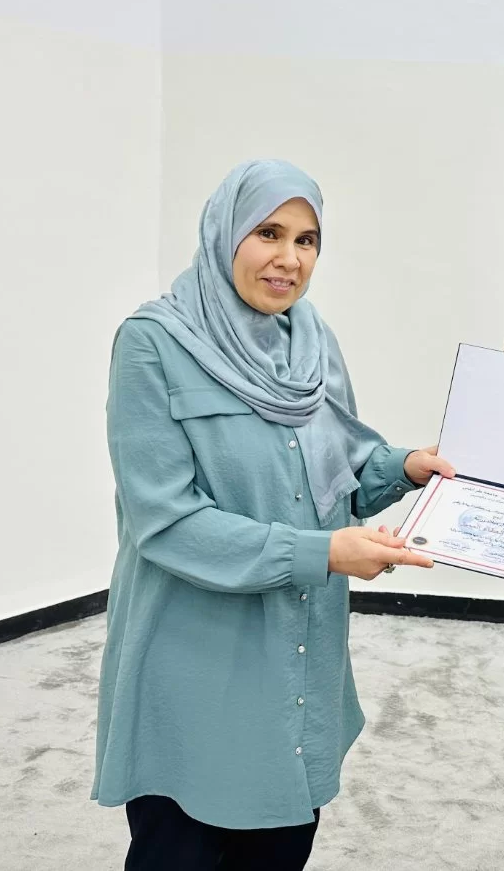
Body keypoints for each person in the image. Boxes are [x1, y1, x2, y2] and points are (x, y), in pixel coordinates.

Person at [91, 159, 453, 871]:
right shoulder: (152, 343)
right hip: (197, 661)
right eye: (268, 233)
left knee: (282, 849)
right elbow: (166, 522)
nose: (289, 258)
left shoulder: (310, 342)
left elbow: (338, 475)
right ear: (224, 233)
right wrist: (323, 554)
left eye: (306, 240)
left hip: (299, 649)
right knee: (182, 850)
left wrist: (408, 466)